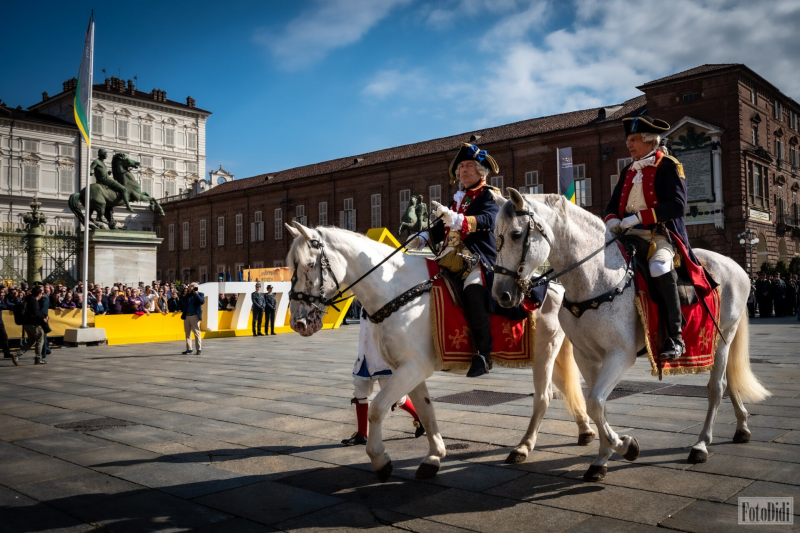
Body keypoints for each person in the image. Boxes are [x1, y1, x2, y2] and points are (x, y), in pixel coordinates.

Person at [409, 142, 515, 377]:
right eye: (461, 167)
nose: (463, 170)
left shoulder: (489, 195)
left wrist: (457, 219)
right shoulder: (458, 198)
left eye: (469, 166)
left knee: (473, 289)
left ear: (480, 171)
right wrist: (424, 237)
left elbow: (488, 220)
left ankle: (483, 355)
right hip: (450, 257)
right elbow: (441, 226)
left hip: (478, 259)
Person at [605, 116, 694, 360]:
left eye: (633, 140)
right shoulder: (627, 170)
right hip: (626, 235)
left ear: (648, 141)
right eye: (628, 140)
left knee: (658, 268)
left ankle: (675, 337)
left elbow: (677, 205)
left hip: (659, 235)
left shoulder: (669, 165)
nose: (629, 145)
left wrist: (639, 218)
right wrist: (612, 219)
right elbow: (612, 204)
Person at [342, 308, 424, 446]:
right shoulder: (363, 304)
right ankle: (362, 434)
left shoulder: (384, 303)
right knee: (360, 393)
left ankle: (420, 417)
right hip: (365, 358)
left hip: (384, 360)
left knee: (396, 397)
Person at [91, 148, 133, 213]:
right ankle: (128, 206)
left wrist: (108, 173)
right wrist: (90, 171)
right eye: (105, 154)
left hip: (106, 178)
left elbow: (102, 173)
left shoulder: (102, 162)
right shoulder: (96, 161)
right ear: (102, 154)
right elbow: (91, 168)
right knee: (123, 189)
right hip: (105, 180)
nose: (106, 155)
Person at [21, 286, 49, 365]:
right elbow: (36, 312)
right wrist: (44, 317)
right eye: (41, 293)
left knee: (31, 341)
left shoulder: (28, 299)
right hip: (34, 324)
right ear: (39, 294)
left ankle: (17, 354)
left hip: (27, 323)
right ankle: (38, 358)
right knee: (40, 340)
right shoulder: (34, 301)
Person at [182, 284, 204, 355]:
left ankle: (198, 349)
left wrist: (196, 294)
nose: (193, 288)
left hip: (195, 316)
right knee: (187, 333)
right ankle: (189, 349)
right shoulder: (188, 295)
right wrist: (189, 292)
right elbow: (183, 300)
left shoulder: (200, 294)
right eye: (191, 287)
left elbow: (202, 302)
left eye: (194, 287)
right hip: (187, 316)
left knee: (197, 333)